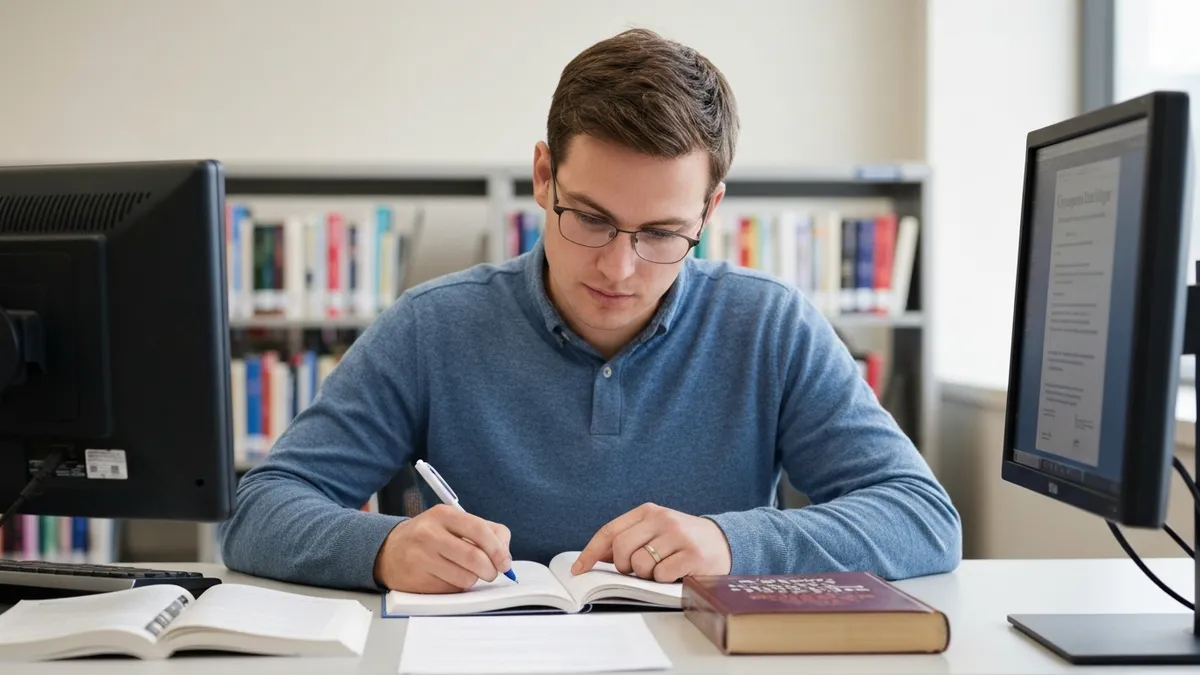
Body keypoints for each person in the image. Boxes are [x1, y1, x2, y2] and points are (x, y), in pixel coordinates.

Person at [218, 28, 962, 594]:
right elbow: (260, 510)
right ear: (544, 176)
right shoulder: (433, 326)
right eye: (592, 218)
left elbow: (923, 517)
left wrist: (731, 544)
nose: (618, 266)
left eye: (663, 233)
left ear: (708, 212)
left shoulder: (769, 326)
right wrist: (381, 548)